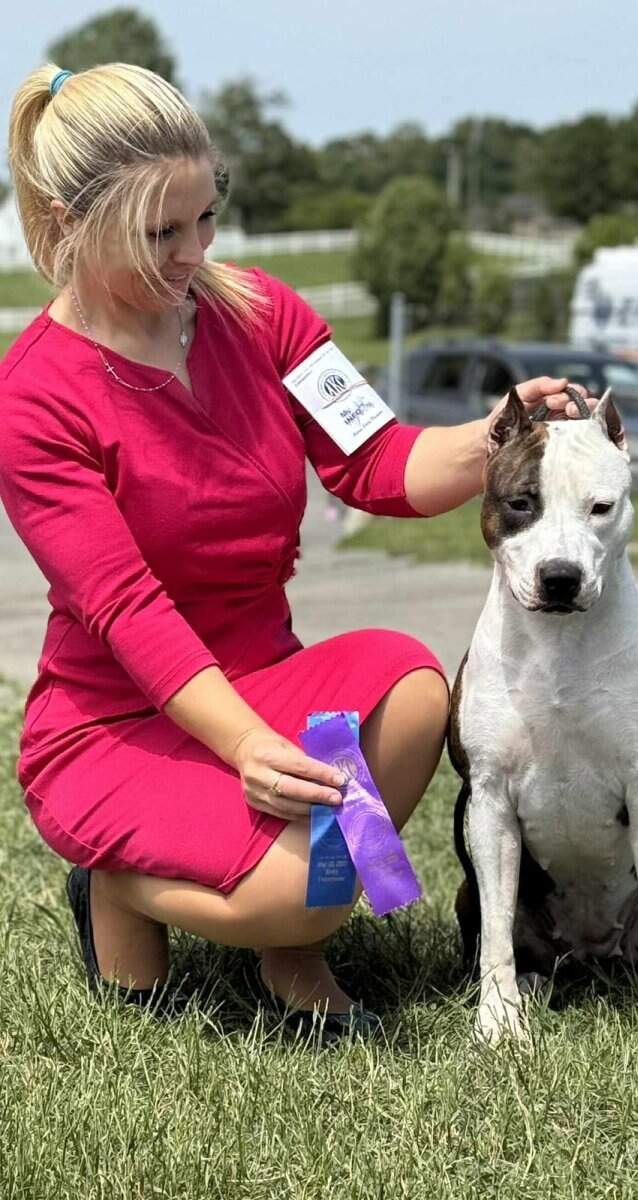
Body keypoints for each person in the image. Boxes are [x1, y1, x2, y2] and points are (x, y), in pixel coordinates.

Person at [0, 62, 588, 1043]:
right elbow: (129, 612)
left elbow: (378, 460)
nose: (195, 253)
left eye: (205, 220)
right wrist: (244, 748)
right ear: (68, 219)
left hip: (262, 678)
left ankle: (287, 948)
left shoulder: (265, 315)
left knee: (408, 687)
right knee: (310, 890)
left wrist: (497, 435)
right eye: (160, 233)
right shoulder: (34, 396)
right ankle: (119, 884)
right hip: (114, 720)